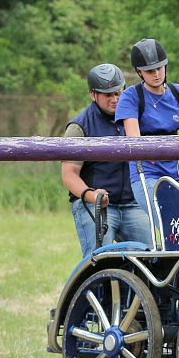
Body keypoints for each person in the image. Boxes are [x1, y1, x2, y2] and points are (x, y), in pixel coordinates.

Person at [61, 63, 153, 256]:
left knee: (151, 259)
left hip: (133, 203)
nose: (115, 99)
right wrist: (91, 195)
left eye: (119, 93)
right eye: (108, 95)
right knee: (100, 261)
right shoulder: (79, 127)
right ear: (93, 95)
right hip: (96, 204)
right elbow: (69, 176)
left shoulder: (135, 119)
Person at [115, 38, 179, 221]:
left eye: (159, 68)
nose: (156, 74)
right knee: (170, 223)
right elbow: (134, 140)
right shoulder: (131, 97)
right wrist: (152, 151)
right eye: (149, 71)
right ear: (139, 72)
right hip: (147, 172)